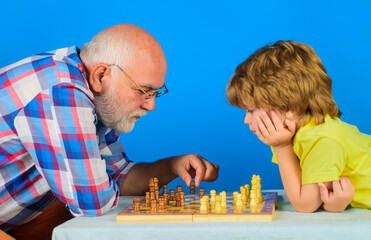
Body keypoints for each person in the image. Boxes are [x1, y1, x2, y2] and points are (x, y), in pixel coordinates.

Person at [0, 24, 219, 239]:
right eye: (144, 90)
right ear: (101, 76)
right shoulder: (61, 92)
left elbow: (118, 177)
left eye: (155, 93)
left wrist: (171, 166)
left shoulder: (95, 98)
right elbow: (93, 203)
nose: (151, 105)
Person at [226, 40, 370, 213]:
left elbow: (305, 204)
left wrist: (281, 147)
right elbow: (316, 192)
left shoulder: (321, 141)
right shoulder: (307, 132)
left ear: (290, 108)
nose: (246, 120)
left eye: (250, 110)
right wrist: (333, 205)